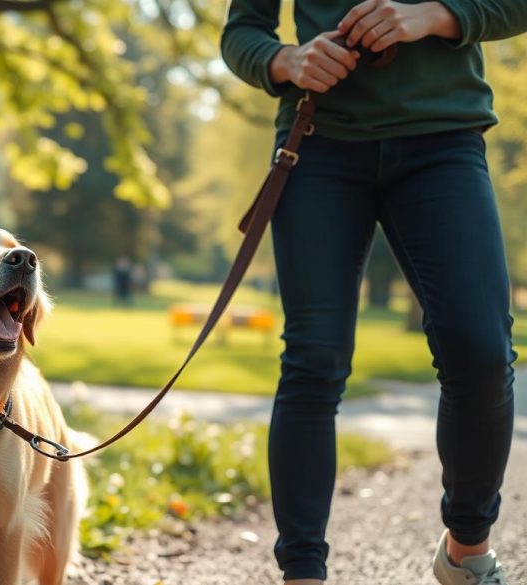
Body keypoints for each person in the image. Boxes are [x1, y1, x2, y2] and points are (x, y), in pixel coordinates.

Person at [220, 0, 526, 583]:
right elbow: (243, 31)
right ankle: (302, 571)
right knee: (313, 359)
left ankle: (468, 550)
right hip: (319, 142)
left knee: (482, 351)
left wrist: (436, 15)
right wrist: (287, 60)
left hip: (444, 141)